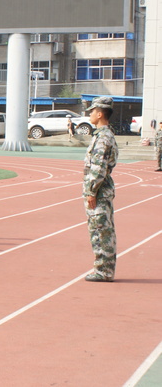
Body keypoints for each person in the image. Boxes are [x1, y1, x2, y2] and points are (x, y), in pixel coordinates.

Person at [82, 97, 118, 282]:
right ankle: (104, 268)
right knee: (103, 230)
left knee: (101, 231)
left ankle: (104, 270)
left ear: (100, 113)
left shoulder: (103, 137)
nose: (90, 114)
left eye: (92, 111)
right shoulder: (103, 135)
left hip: (99, 191)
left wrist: (91, 191)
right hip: (102, 190)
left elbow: (98, 167)